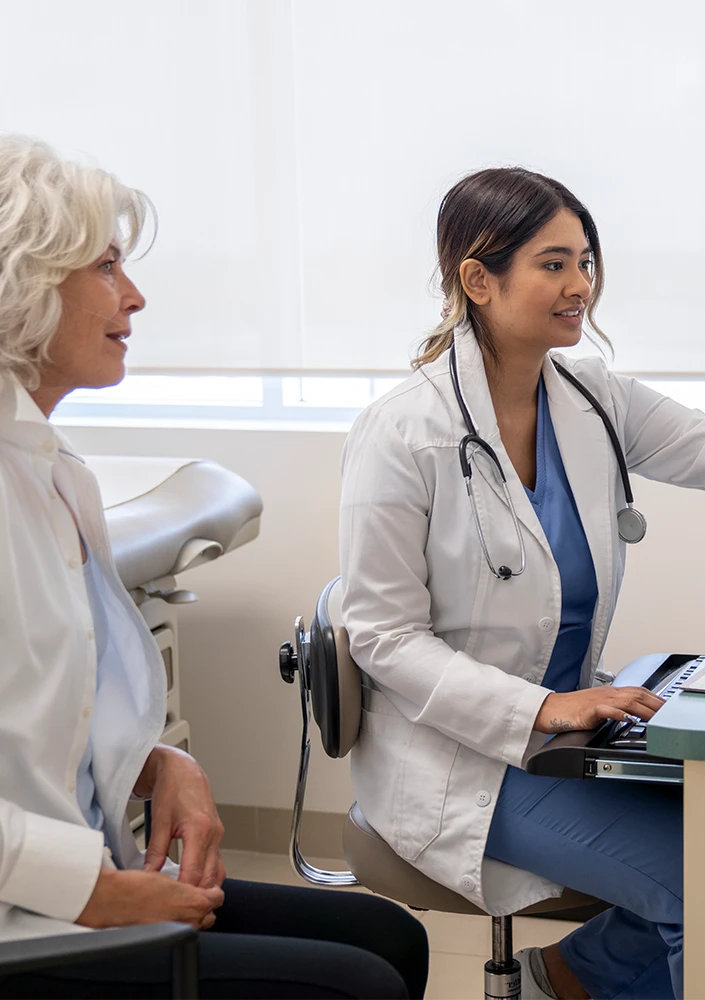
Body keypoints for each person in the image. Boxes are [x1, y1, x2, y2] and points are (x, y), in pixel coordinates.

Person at [338, 166, 705, 1000]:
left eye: (585, 260)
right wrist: (542, 708)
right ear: (478, 279)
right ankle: (583, 979)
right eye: (553, 264)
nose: (580, 284)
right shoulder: (404, 434)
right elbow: (381, 636)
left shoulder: (589, 399)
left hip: (569, 741)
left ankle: (571, 979)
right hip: (465, 760)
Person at [0, 135, 428, 1000]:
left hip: (76, 879)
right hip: (29, 921)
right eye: (108, 266)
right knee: (357, 987)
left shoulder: (44, 464)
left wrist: (161, 764)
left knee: (388, 937)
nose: (136, 295)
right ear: (26, 277)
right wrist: (98, 893)